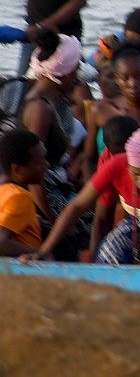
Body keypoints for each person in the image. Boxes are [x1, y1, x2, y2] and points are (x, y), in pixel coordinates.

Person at [28, 125, 140, 265]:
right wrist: (46, 249)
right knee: (109, 254)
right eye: (135, 174)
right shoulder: (116, 165)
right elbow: (77, 206)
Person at [0, 32, 89, 259]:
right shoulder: (40, 109)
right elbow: (35, 171)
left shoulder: (34, 93)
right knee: (82, 233)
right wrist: (53, 222)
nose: (77, 78)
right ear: (65, 73)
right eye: (75, 71)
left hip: (45, 187)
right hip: (42, 194)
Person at [79, 45, 140, 175]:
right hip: (106, 182)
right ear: (117, 79)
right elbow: (89, 159)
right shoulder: (101, 109)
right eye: (125, 78)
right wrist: (96, 191)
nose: (133, 84)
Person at [0, 129, 47, 255]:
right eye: (40, 161)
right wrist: (41, 253)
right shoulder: (20, 197)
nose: (46, 165)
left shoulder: (4, 191)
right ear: (17, 170)